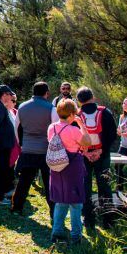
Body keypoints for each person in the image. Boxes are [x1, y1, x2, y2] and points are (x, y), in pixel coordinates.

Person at [10, 82, 59, 217]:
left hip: (28, 149)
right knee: (50, 183)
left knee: (24, 181)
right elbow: (55, 130)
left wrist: (21, 144)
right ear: (46, 93)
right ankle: (54, 211)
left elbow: (17, 128)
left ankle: (17, 207)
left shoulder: (22, 107)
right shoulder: (51, 108)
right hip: (46, 151)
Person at [48, 99, 91, 244]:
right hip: (72, 166)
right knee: (76, 202)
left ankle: (57, 231)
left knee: (60, 200)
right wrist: (81, 125)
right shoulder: (74, 130)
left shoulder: (51, 128)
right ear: (72, 114)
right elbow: (87, 143)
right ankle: (76, 235)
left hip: (57, 165)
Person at [76, 86, 117, 229]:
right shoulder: (104, 112)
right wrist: (101, 151)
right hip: (103, 154)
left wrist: (86, 152)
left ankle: (88, 220)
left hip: (84, 155)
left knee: (85, 187)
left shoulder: (77, 115)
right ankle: (108, 221)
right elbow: (112, 135)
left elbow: (75, 137)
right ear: (92, 97)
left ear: (79, 101)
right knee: (104, 186)